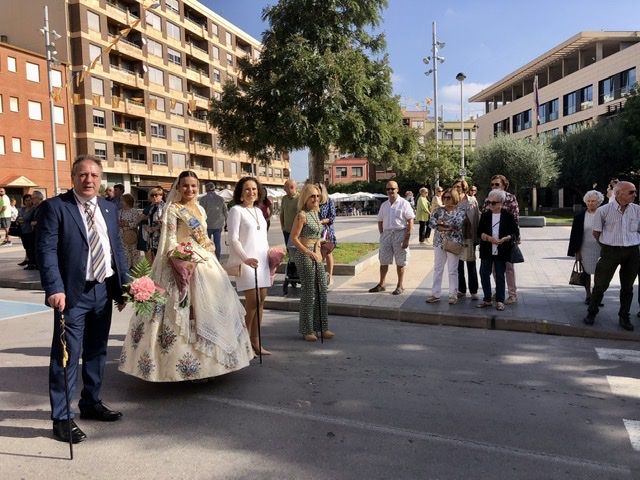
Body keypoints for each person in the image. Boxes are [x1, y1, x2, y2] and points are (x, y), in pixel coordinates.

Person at [119, 170, 253, 381]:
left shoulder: (199, 208)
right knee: (182, 314)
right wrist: (180, 258)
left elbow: (205, 237)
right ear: (178, 187)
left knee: (213, 309)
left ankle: (212, 364)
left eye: (193, 186)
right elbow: (170, 239)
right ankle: (185, 369)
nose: (189, 190)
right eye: (185, 186)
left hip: (205, 262)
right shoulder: (173, 209)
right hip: (180, 261)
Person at [36, 155, 128, 444]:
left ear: (101, 180)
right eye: (82, 175)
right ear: (73, 178)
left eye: (94, 175)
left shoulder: (109, 208)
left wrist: (123, 288)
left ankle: (91, 403)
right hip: (72, 294)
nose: (89, 180)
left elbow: (116, 250)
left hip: (102, 290)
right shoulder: (56, 207)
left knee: (97, 352)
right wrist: (54, 288)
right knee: (65, 357)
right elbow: (46, 251)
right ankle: (62, 418)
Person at [584, 181, 640, 331]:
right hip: (610, 251)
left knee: (628, 287)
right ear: (618, 193)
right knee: (601, 284)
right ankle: (592, 312)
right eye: (631, 192)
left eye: (635, 191)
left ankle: (624, 316)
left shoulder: (637, 210)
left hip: (632, 251)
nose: (635, 194)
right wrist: (608, 245)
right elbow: (596, 233)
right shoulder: (604, 211)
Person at [227, 176, 273, 355]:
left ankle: (256, 340)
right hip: (246, 262)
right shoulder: (236, 211)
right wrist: (245, 258)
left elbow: (263, 238)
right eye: (247, 189)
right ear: (240, 193)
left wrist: (271, 256)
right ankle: (243, 342)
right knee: (252, 302)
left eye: (254, 189)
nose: (251, 192)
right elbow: (233, 239)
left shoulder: (259, 211)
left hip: (262, 262)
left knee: (261, 301)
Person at [290, 183, 333, 341]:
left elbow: (316, 234)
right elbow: (294, 238)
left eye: (317, 196)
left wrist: (321, 244)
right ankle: (307, 329)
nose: (315, 199)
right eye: (312, 196)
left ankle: (322, 327)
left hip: (316, 253)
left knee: (322, 288)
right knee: (309, 291)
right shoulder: (302, 215)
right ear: (305, 198)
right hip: (304, 254)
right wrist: (308, 252)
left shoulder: (316, 213)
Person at [368, 180, 414, 295]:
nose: (390, 191)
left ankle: (400, 285)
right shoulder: (384, 205)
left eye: (392, 189)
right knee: (383, 260)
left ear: (397, 189)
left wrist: (407, 238)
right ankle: (381, 284)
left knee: (400, 261)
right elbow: (380, 220)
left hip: (400, 233)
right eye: (388, 189)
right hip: (387, 234)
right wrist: (382, 234)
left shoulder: (404, 203)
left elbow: (410, 220)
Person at [477, 189, 519, 311]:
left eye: (493, 203)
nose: (490, 205)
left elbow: (515, 233)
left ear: (501, 203)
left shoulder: (508, 216)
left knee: (500, 275)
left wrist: (506, 238)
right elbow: (479, 232)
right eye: (489, 202)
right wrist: (489, 238)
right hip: (486, 249)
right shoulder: (485, 215)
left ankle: (500, 300)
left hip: (502, 250)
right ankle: (487, 299)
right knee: (484, 273)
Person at [427, 187, 465, 304]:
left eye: (448, 197)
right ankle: (435, 294)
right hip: (439, 243)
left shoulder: (460, 211)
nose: (446, 200)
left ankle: (453, 295)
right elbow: (431, 223)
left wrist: (441, 224)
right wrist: (442, 225)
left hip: (453, 243)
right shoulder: (438, 210)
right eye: (444, 197)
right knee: (438, 268)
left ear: (455, 198)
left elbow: (457, 225)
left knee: (452, 270)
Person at [567, 190, 605, 304]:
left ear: (599, 202)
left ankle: (597, 296)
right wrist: (576, 252)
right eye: (588, 201)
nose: (590, 203)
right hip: (585, 248)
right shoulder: (579, 217)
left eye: (593, 201)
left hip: (601, 248)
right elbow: (574, 236)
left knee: (601, 273)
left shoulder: (604, 215)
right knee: (586, 273)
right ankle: (588, 295)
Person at [454, 179, 480, 300]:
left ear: (464, 188)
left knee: (471, 264)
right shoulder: (453, 201)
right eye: (455, 187)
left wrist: (477, 237)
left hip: (469, 236)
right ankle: (461, 290)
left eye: (459, 187)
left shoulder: (471, 200)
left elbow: (476, 219)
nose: (457, 189)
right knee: (458, 265)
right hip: (456, 237)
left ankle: (474, 291)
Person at [198, 182, 228, 261]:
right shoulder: (221, 199)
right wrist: (227, 222)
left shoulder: (203, 199)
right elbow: (225, 211)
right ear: (214, 189)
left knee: (206, 243)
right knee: (217, 243)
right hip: (218, 225)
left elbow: (200, 213)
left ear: (206, 189)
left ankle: (208, 260)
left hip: (207, 225)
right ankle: (217, 259)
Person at [317, 182, 337, 285]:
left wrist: (321, 221)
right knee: (318, 254)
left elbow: (332, 217)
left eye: (318, 189)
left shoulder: (329, 201)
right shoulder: (313, 201)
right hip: (315, 231)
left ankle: (330, 276)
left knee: (328, 253)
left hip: (326, 232)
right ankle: (320, 276)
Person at [118, 193, 141, 270]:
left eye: (122, 201)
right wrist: (120, 224)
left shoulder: (134, 211)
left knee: (134, 251)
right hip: (122, 234)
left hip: (131, 234)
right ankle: (127, 267)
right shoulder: (120, 211)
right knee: (125, 251)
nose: (121, 202)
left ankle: (135, 267)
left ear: (127, 201)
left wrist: (127, 223)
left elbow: (136, 223)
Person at [22, 191, 44, 270]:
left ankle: (37, 264)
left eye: (33, 198)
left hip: (41, 232)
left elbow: (45, 218)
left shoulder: (43, 207)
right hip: (33, 231)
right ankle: (34, 264)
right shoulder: (37, 207)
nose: (32, 200)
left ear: (39, 198)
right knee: (31, 248)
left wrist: (35, 222)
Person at [144, 187, 164, 263]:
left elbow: (165, 222)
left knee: (160, 258)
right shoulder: (152, 207)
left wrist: (154, 228)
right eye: (152, 195)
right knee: (153, 257)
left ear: (161, 195)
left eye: (156, 195)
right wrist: (147, 227)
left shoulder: (164, 207)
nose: (154, 197)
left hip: (160, 236)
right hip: (152, 236)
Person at [279, 179, 299, 246]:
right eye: (285, 187)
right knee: (289, 250)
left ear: (294, 187)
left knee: (297, 251)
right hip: (286, 231)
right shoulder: (284, 199)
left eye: (285, 187)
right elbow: (282, 213)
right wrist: (282, 227)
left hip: (297, 232)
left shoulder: (300, 198)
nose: (285, 189)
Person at [16, 194, 32, 266]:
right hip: (22, 230)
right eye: (26, 200)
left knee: (30, 247)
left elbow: (27, 218)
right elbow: (18, 218)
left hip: (30, 231)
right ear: (24, 201)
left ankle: (30, 261)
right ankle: (27, 259)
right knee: (26, 246)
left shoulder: (33, 209)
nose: (28, 202)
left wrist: (22, 219)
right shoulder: (22, 209)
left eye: (29, 200)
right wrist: (21, 219)